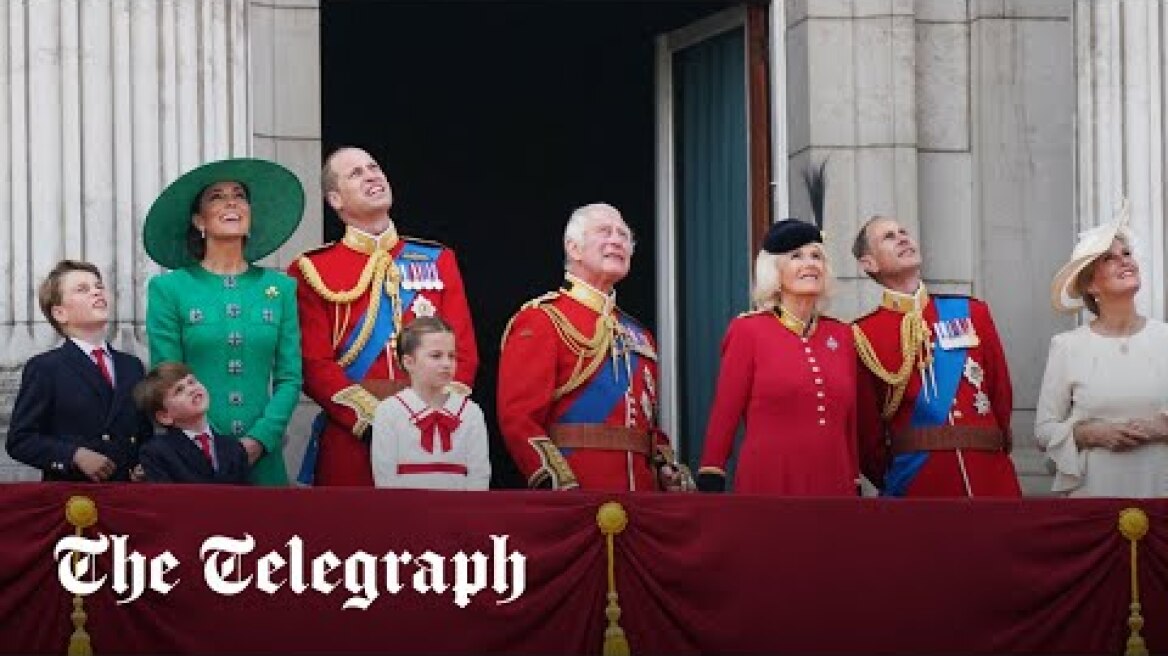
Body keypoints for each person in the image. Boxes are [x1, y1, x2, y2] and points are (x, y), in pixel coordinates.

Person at [290, 146, 479, 486]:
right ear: (335, 199)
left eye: (374, 167)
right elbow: (314, 365)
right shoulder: (312, 269)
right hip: (355, 439)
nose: (371, 176)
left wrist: (435, 413)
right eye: (356, 173)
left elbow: (462, 351)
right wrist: (378, 421)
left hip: (434, 435)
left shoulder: (438, 260)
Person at [497, 203, 693, 492]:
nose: (617, 240)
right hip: (577, 493)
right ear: (573, 248)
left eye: (623, 235)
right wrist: (554, 480)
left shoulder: (640, 334)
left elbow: (646, 426)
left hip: (642, 497)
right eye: (604, 231)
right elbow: (518, 419)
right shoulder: (543, 319)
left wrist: (664, 468)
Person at [143, 158, 304, 486]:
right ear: (198, 220)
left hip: (264, 456)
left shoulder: (281, 288)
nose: (232, 202)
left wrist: (261, 438)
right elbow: (167, 377)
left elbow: (289, 378)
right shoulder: (169, 289)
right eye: (217, 197)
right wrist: (214, 442)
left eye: (239, 196)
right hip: (197, 457)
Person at [851, 216, 1020, 497]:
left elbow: (1000, 393)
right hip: (919, 482)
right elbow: (868, 434)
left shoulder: (971, 312)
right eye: (889, 237)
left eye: (903, 232)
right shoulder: (863, 335)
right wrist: (898, 476)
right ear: (869, 263)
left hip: (989, 473)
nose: (902, 238)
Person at [696, 219, 858, 495]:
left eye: (816, 256)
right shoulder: (748, 330)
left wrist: (853, 478)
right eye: (797, 256)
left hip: (834, 481)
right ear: (775, 271)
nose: (810, 264)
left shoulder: (842, 334)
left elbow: (850, 422)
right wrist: (712, 469)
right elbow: (726, 409)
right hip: (769, 479)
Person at [1035, 202, 1168, 497]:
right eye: (1109, 258)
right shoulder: (1067, 346)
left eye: (1127, 254)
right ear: (1091, 286)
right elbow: (1044, 430)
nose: (1125, 261)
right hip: (1095, 497)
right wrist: (1088, 434)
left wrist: (1162, 428)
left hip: (1160, 496)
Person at [7, 260, 153, 481]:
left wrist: (145, 463)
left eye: (99, 286)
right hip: (73, 495)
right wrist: (73, 455)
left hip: (126, 492)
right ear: (60, 313)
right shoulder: (46, 368)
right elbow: (20, 440)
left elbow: (144, 433)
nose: (96, 292)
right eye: (82, 289)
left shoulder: (131, 366)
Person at [371, 317, 490, 490]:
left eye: (452, 356)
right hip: (406, 506)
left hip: (459, 506)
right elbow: (384, 477)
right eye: (436, 356)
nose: (447, 364)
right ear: (409, 362)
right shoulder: (389, 411)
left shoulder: (470, 412)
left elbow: (479, 475)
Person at [132, 362, 250, 484]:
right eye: (179, 390)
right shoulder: (157, 452)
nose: (192, 389)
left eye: (192, 382)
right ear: (165, 416)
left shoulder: (234, 448)